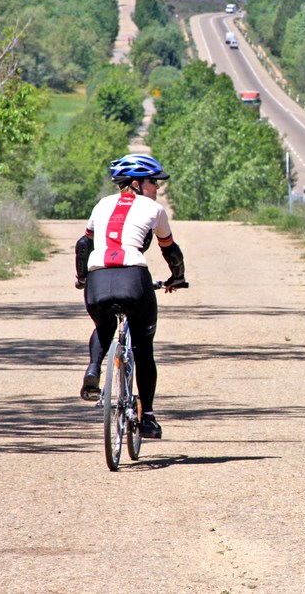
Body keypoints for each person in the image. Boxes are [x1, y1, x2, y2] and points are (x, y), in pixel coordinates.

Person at [74, 153, 188, 439]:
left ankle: (92, 370)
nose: (157, 188)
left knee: (103, 326)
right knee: (143, 348)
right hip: (134, 280)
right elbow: (170, 251)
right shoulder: (153, 209)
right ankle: (147, 417)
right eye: (153, 182)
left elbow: (82, 246)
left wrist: (82, 278)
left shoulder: (101, 205)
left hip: (98, 280)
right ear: (136, 184)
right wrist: (177, 278)